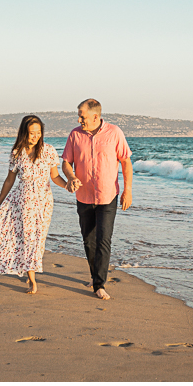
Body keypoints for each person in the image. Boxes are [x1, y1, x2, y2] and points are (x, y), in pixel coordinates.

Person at [0, 115, 68, 294]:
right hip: (23, 202)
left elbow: (54, 176)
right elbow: (9, 181)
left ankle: (26, 268)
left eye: (38, 133)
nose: (35, 136)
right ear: (24, 133)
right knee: (29, 239)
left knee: (39, 241)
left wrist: (68, 185)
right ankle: (32, 280)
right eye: (32, 133)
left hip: (44, 204)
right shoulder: (17, 153)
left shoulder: (48, 150)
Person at [61, 99, 133, 302]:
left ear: (95, 116)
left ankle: (99, 284)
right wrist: (71, 177)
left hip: (108, 195)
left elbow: (126, 162)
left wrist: (127, 191)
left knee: (103, 239)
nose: (79, 119)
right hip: (83, 196)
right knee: (88, 240)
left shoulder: (115, 133)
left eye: (82, 116)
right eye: (79, 116)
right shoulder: (75, 135)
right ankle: (95, 276)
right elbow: (66, 162)